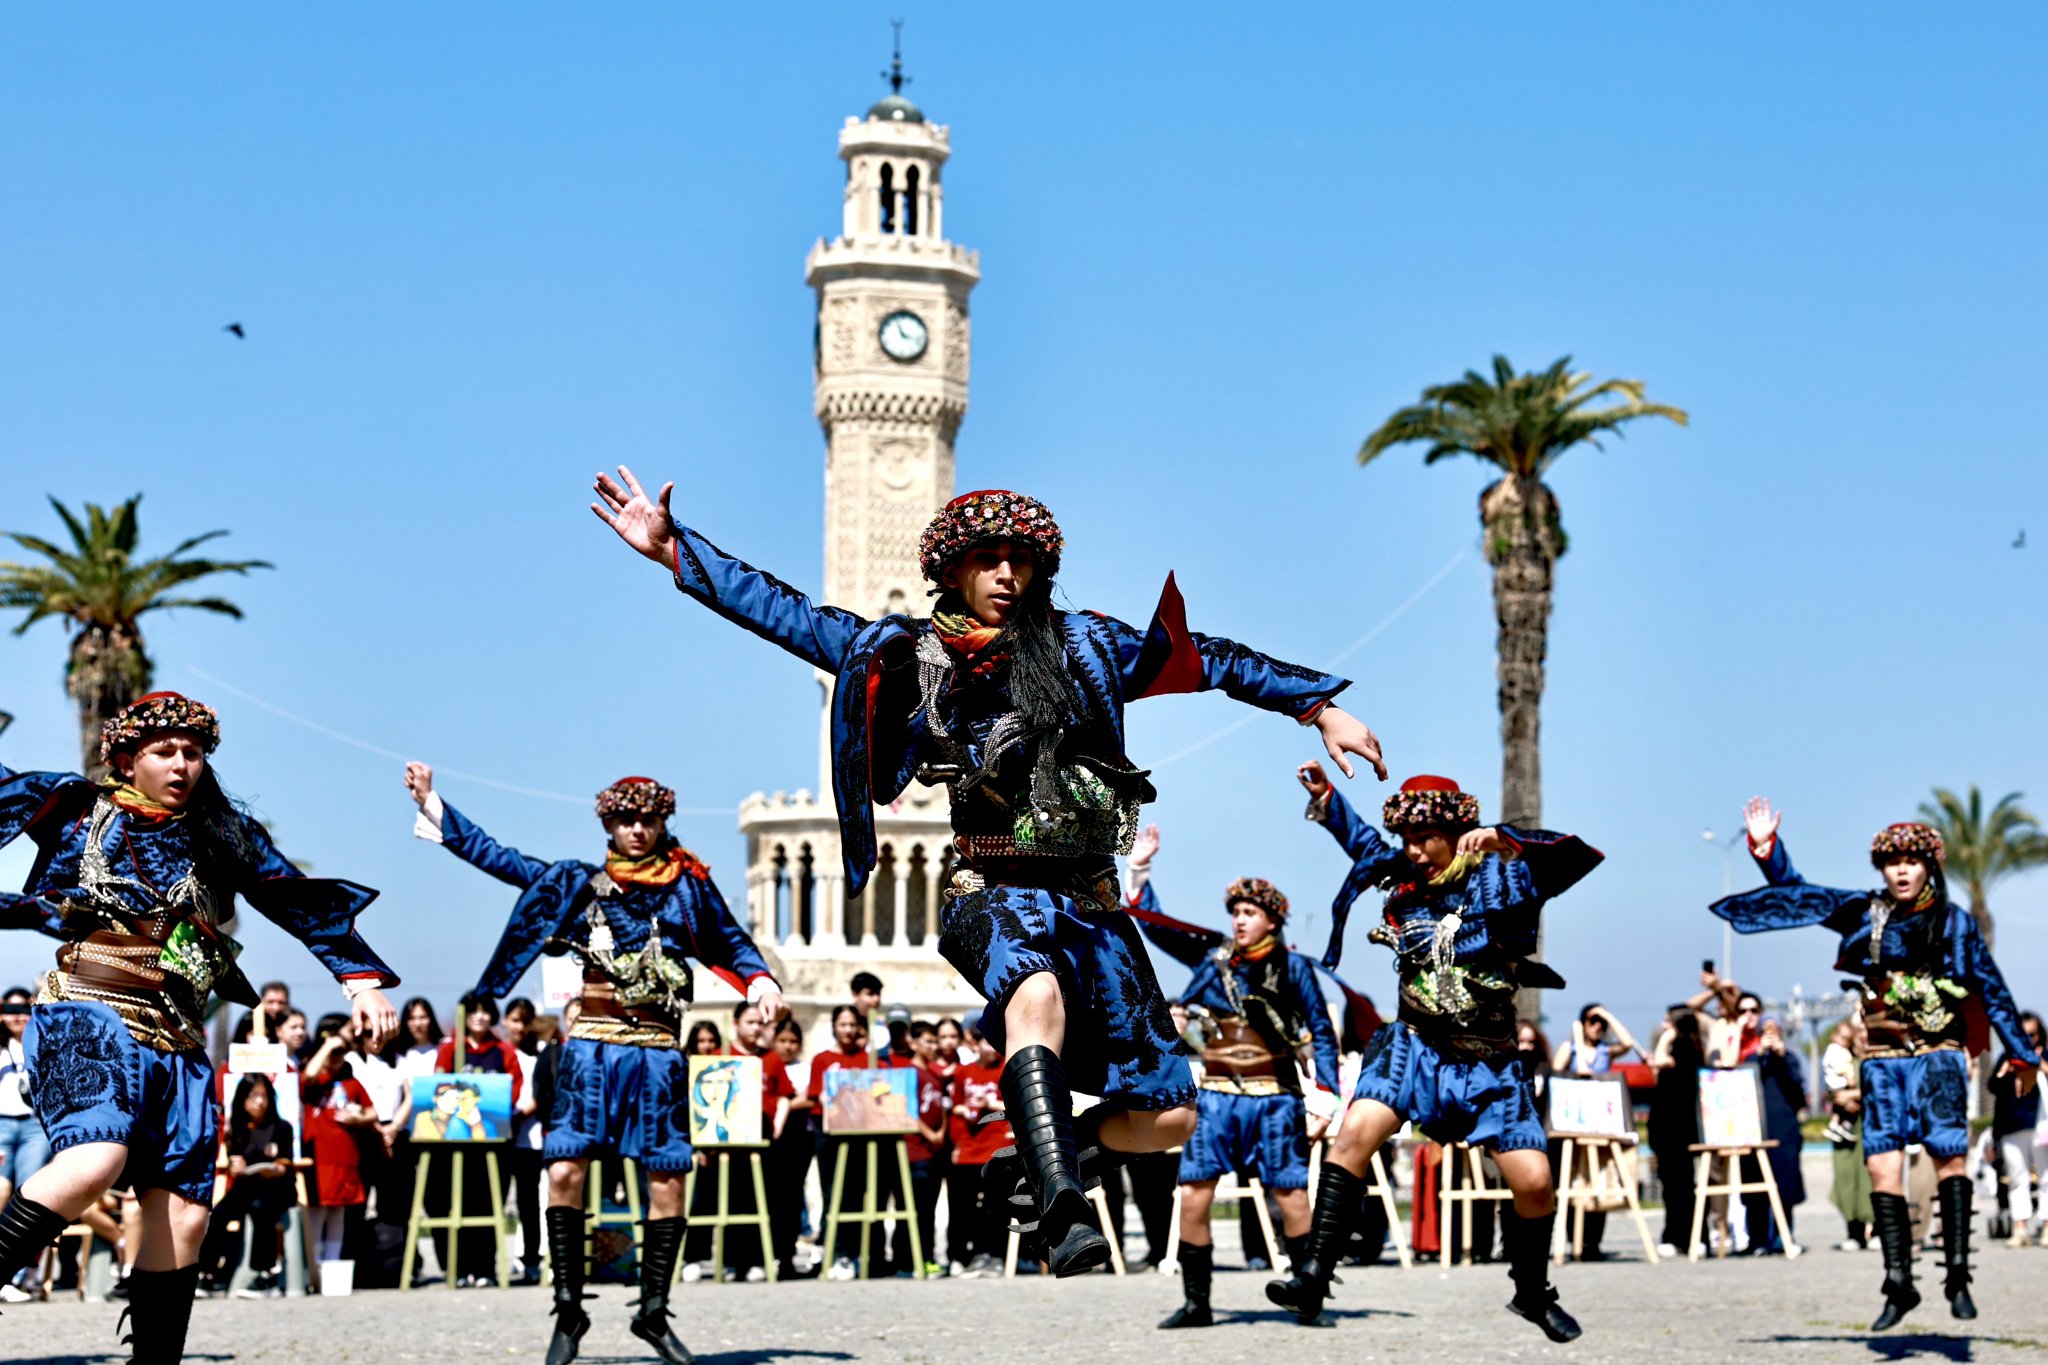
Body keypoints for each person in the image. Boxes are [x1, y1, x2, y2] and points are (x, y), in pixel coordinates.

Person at [592, 470, 1384, 1277]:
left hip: (1094, 904)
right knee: (1031, 997)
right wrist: (675, 551)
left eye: (1023, 560)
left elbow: (1206, 657)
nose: (1009, 574)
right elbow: (790, 615)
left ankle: (1047, 1160)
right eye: (989, 558)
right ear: (953, 568)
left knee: (1175, 1113)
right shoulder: (912, 655)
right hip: (995, 892)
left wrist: (1318, 705)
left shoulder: (1085, 647)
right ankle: (1067, 1212)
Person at [0, 694, 398, 1360]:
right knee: (96, 1156)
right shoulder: (74, 808)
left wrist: (358, 980)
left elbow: (292, 895)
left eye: (193, 751)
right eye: (164, 751)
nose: (182, 763)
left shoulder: (222, 831)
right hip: (88, 1011)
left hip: (178, 1035)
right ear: (125, 757)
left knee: (184, 1213)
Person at [407, 763, 780, 1365]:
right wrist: (436, 807)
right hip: (591, 1051)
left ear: (663, 822)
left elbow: (730, 939)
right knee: (562, 1173)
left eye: (648, 819)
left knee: (668, 1178)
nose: (637, 829)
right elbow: (503, 860)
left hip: (659, 1054)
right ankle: (568, 1311)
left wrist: (760, 980)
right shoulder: (576, 885)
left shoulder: (690, 887)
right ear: (608, 822)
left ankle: (653, 1313)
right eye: (626, 819)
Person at [1267, 762, 1600, 1342]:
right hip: (1415, 1048)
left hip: (1490, 1063)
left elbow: (1574, 858)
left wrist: (1507, 838)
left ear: (1455, 834)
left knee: (1535, 1181)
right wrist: (1328, 800)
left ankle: (1531, 1292)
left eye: (1426, 839)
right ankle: (1313, 1274)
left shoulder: (1505, 878)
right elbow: (1362, 843)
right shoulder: (1402, 878)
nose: (1414, 851)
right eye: (1408, 840)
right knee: (1354, 1135)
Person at [1713, 798, 2041, 1329]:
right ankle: (1898, 1284)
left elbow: (1994, 990)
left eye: (1912, 860)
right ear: (1882, 870)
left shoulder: (1955, 923)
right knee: (1880, 1165)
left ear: (1929, 865)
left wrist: (2022, 1054)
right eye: (1892, 863)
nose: (1902, 870)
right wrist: (1767, 850)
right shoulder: (1866, 913)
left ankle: (1957, 1274)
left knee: (1950, 1157)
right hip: (1883, 1060)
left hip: (1938, 1055)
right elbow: (1801, 897)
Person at [1124, 825, 1339, 1329]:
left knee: (1290, 1195)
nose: (1239, 921)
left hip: (1277, 1099)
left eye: (1250, 914)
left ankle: (1308, 1297)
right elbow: (1157, 927)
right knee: (1194, 1192)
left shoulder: (1295, 970)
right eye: (1236, 914)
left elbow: (1323, 1034)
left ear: (1272, 920)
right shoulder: (1213, 960)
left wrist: (1325, 1098)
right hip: (1217, 1098)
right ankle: (1197, 1303)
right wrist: (1140, 869)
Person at [1549, 1003, 1640, 1261]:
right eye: (1592, 1021)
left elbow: (1627, 1042)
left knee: (1599, 1182)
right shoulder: (1571, 1048)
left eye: (1601, 1023)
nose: (1597, 1026)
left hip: (1599, 1126)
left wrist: (1607, 1013)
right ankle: (1572, 1239)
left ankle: (1592, 1242)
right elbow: (1568, 1072)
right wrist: (1577, 1033)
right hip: (1572, 1125)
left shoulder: (1605, 1051)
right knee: (1571, 1183)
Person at [198, 1075, 298, 1297]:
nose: (260, 1102)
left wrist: (264, 1168)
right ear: (243, 1099)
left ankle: (264, 1274)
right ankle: (207, 1273)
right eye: (253, 1096)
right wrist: (237, 1166)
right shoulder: (239, 1128)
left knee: (261, 1209)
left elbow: (282, 1168)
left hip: (277, 1188)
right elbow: (235, 1163)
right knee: (218, 1214)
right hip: (246, 1186)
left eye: (264, 1096)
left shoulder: (281, 1128)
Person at [808, 1004, 879, 1279]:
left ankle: (855, 1252)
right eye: (842, 1024)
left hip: (861, 1134)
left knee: (857, 1194)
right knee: (832, 1195)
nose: (847, 1030)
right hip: (829, 1136)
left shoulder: (868, 1059)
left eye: (852, 1025)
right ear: (834, 1027)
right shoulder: (822, 1059)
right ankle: (833, 1252)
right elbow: (816, 1098)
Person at [301, 1020, 377, 1267]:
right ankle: (315, 1266)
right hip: (318, 1159)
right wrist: (328, 1046)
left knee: (337, 1214)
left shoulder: (351, 1082)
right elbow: (308, 1075)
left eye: (341, 1052)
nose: (336, 1057)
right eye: (332, 1053)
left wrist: (359, 1118)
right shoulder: (315, 1079)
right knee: (317, 1212)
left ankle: (332, 1265)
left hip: (345, 1158)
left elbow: (373, 1111)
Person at [948, 1023, 1011, 1277]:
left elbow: (1015, 1105)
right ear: (975, 1044)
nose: (990, 1048)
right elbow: (955, 1109)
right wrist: (957, 1143)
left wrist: (990, 1103)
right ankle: (963, 1255)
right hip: (969, 1149)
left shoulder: (1007, 1068)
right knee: (964, 1207)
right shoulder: (964, 1072)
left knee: (996, 1207)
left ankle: (994, 1254)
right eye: (985, 1042)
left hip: (998, 1148)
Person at [0, 988, 49, 1302]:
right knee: (1, 1191)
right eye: (10, 1008)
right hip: (2, 1122)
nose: (18, 1015)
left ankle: (19, 1274)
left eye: (24, 1008)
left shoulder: (41, 1043)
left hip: (35, 1125)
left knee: (29, 1195)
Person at [1648, 1009, 1705, 1255]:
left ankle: (1687, 1236)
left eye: (1668, 1022)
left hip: (1677, 1130)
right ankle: (1678, 1235)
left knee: (1680, 1186)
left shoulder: (1684, 1049)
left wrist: (1666, 1038)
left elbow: (1658, 1060)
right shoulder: (1688, 1048)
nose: (1663, 1025)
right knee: (1674, 1185)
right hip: (1669, 1129)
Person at [1990, 1011, 2045, 1247]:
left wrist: (2038, 1064)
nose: (2029, 1039)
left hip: (2042, 1123)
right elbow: (1993, 1086)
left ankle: (2045, 1226)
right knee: (2016, 1178)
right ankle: (2020, 1228)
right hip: (2012, 1125)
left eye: (2032, 1035)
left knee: (2046, 1176)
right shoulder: (2007, 1057)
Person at [504, 997, 547, 1285]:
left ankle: (532, 1259)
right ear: (505, 1021)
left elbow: (544, 1089)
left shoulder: (540, 1053)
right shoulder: (499, 1052)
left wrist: (525, 1111)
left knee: (529, 1202)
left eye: (524, 1021)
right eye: (514, 1020)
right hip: (501, 1136)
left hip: (530, 1137)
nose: (519, 1026)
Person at [1823, 1014, 1874, 1252]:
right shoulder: (1842, 1060)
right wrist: (1839, 1098)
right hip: (1848, 1129)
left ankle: (1876, 1229)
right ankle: (1853, 1230)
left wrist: (1852, 1096)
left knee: (1872, 1179)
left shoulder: (1877, 1060)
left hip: (1872, 1128)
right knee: (1846, 1178)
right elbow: (1832, 1089)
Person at [768, 1015, 814, 1276]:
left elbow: (810, 1098)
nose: (787, 1046)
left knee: (793, 1197)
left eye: (792, 1041)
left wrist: (780, 1102)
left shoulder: (803, 1069)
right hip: (771, 1140)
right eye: (782, 1041)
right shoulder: (769, 1066)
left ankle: (786, 1254)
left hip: (798, 1139)